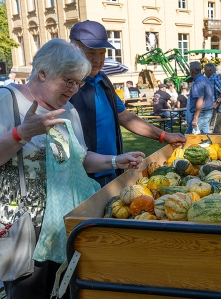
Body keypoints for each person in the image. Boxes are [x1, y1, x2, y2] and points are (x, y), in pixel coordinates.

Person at [0, 38, 145, 299]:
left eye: (78, 82)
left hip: (65, 225)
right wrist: (22, 133)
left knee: (66, 291)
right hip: (25, 229)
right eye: (68, 81)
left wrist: (114, 160)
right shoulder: (6, 100)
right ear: (42, 73)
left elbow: (77, 158)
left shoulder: (67, 110)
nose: (74, 89)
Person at [69, 20, 185, 186]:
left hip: (113, 170)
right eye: (90, 53)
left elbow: (125, 116)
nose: (97, 59)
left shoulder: (103, 80)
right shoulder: (68, 87)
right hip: (83, 178)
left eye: (102, 53)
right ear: (73, 49)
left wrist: (164, 136)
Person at [185, 61, 214, 134]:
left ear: (192, 70)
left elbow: (200, 100)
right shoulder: (205, 79)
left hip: (201, 113)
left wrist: (195, 118)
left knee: (189, 136)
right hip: (206, 112)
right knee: (205, 135)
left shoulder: (198, 82)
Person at [204, 62, 221, 133]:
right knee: (218, 129)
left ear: (209, 71)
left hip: (219, 109)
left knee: (210, 128)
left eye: (205, 70)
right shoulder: (212, 78)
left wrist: (217, 103)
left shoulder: (214, 78)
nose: (204, 72)